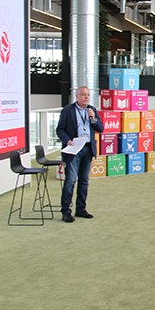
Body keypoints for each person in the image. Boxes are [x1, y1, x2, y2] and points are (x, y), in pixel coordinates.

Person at [56, 86, 104, 222]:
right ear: (77, 96)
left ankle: (81, 209)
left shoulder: (92, 110)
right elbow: (60, 130)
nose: (86, 97)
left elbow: (100, 128)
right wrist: (67, 141)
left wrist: (93, 119)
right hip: (74, 150)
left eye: (88, 95)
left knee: (84, 181)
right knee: (70, 181)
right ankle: (66, 211)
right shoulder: (67, 110)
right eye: (83, 94)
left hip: (88, 149)